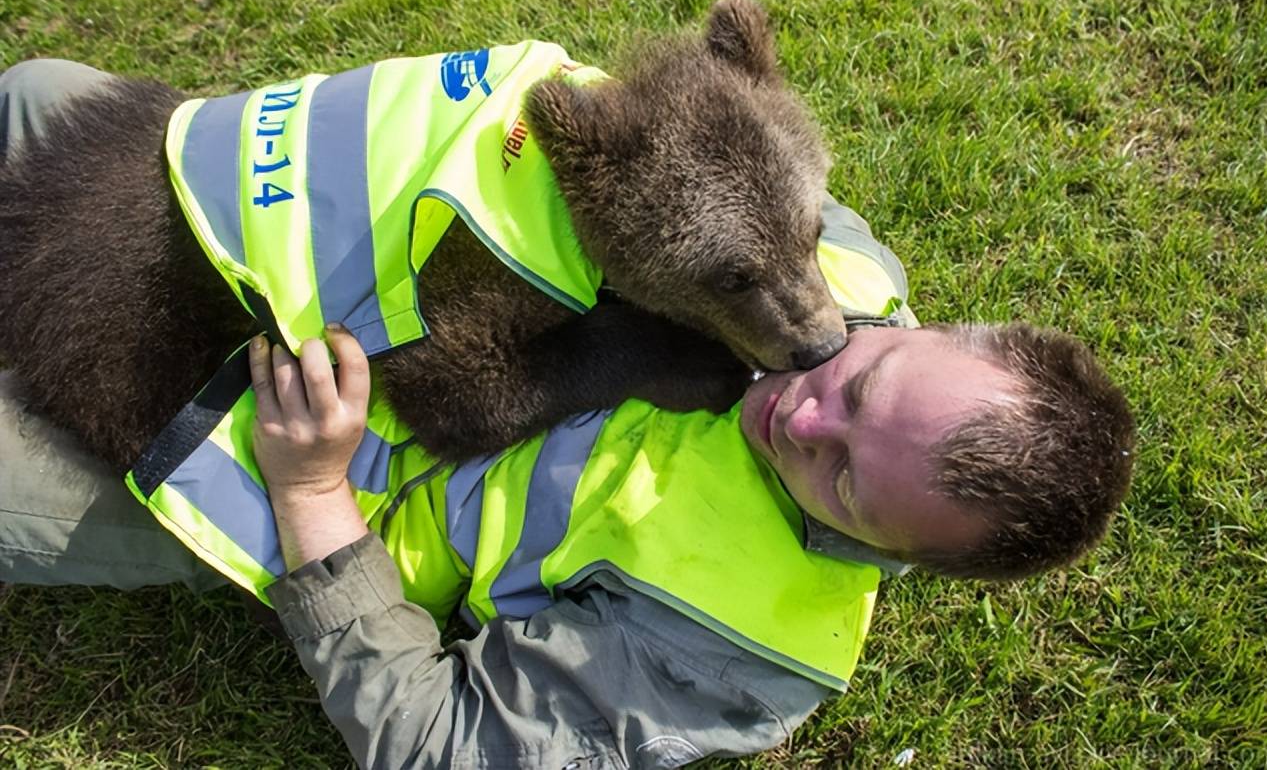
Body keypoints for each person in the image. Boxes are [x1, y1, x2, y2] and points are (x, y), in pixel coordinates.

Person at [0, 59, 1135, 768]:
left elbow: (435, 745)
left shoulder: (748, 646)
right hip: (292, 274)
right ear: (943, 328)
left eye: (838, 478)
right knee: (41, 91)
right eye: (861, 381)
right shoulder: (847, 271)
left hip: (255, 449)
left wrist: (309, 499)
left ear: (887, 554)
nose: (800, 401)